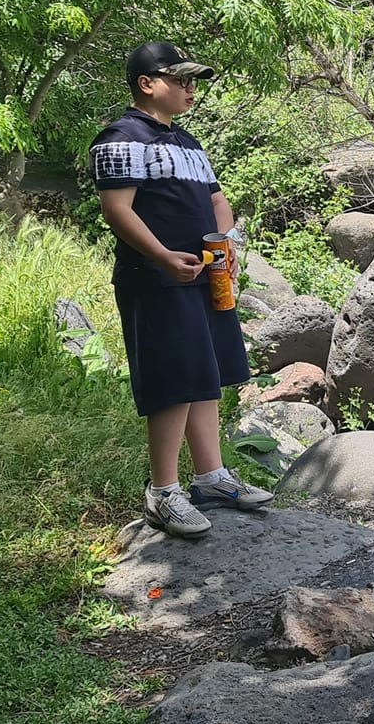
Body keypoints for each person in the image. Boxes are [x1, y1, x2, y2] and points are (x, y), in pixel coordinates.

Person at [91, 41, 273, 537]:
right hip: (156, 279)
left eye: (194, 81)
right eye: (181, 80)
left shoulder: (189, 143)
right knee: (173, 380)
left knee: (203, 373)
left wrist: (229, 245)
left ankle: (211, 477)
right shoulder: (120, 138)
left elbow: (218, 201)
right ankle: (163, 491)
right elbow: (118, 210)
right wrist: (163, 256)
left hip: (204, 277)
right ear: (147, 84)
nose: (191, 89)